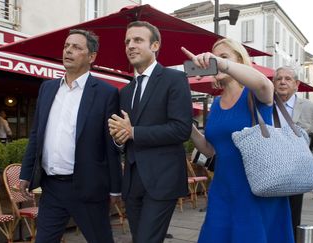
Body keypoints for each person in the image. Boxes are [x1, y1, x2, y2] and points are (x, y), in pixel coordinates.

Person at [183, 38, 294, 243]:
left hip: (256, 189)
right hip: (223, 188)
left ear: (239, 62)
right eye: (215, 58)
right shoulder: (216, 104)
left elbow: (264, 83)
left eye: (224, 57)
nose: (216, 62)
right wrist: (188, 128)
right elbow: (211, 150)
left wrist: (221, 62)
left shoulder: (255, 94)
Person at [19, 29, 122, 243]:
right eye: (67, 46)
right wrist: (25, 173)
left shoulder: (106, 93)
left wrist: (115, 188)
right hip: (51, 187)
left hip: (88, 187)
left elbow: (109, 145)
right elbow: (36, 134)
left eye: (76, 47)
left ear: (91, 57)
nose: (68, 51)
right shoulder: (47, 89)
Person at [108, 21, 192, 243]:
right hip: (132, 181)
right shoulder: (125, 91)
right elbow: (123, 136)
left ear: (155, 45)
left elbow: (181, 129)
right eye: (127, 41)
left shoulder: (175, 79)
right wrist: (119, 138)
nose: (130, 46)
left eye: (137, 40)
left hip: (163, 179)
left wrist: (133, 132)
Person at [273, 66, 313, 239]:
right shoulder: (265, 103)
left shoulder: (310, 108)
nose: (282, 82)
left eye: (288, 79)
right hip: (269, 170)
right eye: (279, 79)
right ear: (273, 83)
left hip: (295, 174)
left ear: (296, 84)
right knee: (268, 216)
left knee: (292, 217)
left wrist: (311, 164)